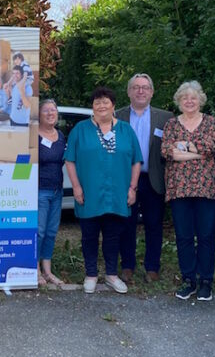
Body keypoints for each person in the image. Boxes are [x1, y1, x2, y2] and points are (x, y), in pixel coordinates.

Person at [65, 87, 141, 295]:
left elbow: (136, 161)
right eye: (97, 102)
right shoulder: (80, 129)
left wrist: (133, 188)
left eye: (105, 101)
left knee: (113, 236)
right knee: (89, 235)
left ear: (113, 105)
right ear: (92, 106)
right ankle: (90, 274)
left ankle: (111, 275)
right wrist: (77, 187)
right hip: (89, 193)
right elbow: (70, 160)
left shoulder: (126, 130)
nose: (101, 106)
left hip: (117, 194)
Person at [160, 81, 215, 301]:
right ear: (179, 101)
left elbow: (213, 146)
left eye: (193, 97)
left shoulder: (213, 123)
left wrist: (182, 147)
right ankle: (189, 279)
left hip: (208, 188)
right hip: (179, 189)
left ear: (200, 100)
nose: (189, 101)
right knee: (184, 236)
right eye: (185, 98)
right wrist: (198, 152)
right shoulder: (171, 125)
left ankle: (206, 280)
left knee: (206, 236)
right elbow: (168, 151)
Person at [115, 73, 173, 283]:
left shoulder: (165, 118)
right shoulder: (117, 116)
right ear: (129, 91)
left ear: (152, 92)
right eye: (136, 87)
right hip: (125, 180)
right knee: (125, 224)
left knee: (154, 224)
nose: (141, 91)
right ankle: (127, 266)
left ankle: (152, 268)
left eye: (145, 87)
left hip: (153, 179)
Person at [37, 99, 66, 286]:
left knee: (51, 231)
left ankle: (47, 270)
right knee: (38, 232)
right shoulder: (33, 136)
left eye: (53, 110)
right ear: (39, 114)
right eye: (46, 110)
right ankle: (35, 270)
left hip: (57, 190)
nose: (50, 113)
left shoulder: (60, 135)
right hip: (39, 191)